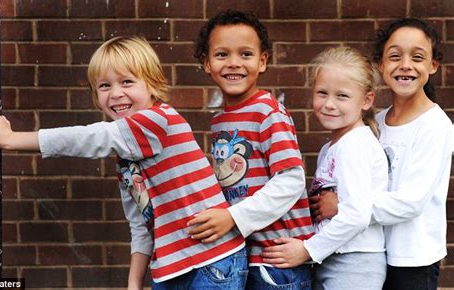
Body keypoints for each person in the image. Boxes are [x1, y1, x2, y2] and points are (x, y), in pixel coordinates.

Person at [0, 36, 248, 290]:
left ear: (152, 84)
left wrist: (12, 139)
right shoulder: (127, 155)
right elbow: (141, 223)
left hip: (214, 261)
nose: (116, 93)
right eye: (105, 86)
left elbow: (91, 137)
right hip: (171, 268)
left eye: (127, 82)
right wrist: (133, 281)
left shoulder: (157, 121)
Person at [311, 18, 453, 290]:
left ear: (433, 65)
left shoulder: (435, 125)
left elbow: (411, 202)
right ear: (380, 64)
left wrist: (342, 205)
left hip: (413, 257)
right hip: (378, 250)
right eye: (395, 56)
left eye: (418, 57)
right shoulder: (377, 121)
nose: (405, 65)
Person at [188, 9, 314, 289]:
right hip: (245, 255)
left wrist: (233, 217)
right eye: (222, 55)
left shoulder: (268, 112)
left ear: (263, 61)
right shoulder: (220, 121)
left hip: (278, 260)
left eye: (245, 54)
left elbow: (291, 181)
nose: (234, 63)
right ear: (206, 63)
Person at [261, 46, 389, 289]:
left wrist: (308, 250)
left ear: (366, 100)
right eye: (322, 93)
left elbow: (356, 215)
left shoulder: (355, 145)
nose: (329, 104)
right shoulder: (332, 146)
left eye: (342, 96)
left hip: (354, 262)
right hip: (335, 256)